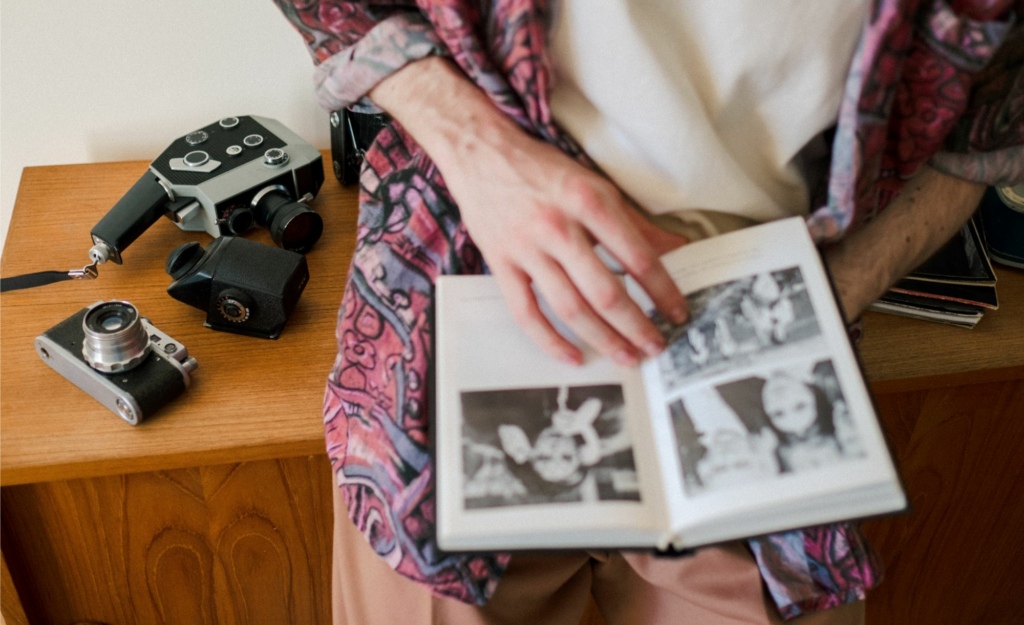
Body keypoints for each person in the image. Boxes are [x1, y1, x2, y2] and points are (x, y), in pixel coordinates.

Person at [271, 1, 1023, 623]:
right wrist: (476, 149)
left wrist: (831, 292)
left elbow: (993, 113)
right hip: (454, 314)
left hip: (762, 344)